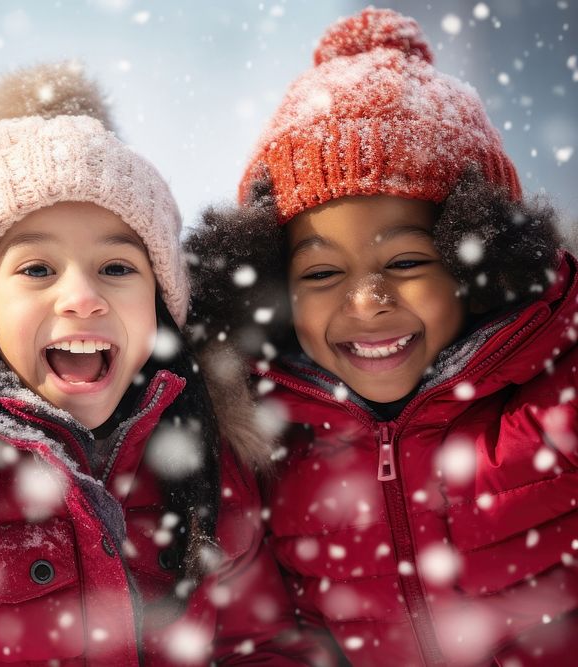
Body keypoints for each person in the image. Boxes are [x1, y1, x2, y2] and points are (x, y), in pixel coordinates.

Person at [0, 63, 326, 665]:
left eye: (118, 268)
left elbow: (257, 643)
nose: (82, 296)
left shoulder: (205, 454)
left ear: (159, 302)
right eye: (37, 270)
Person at [185, 7, 577, 666]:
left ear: (478, 263)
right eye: (322, 272)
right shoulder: (259, 446)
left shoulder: (559, 408)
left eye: (406, 261)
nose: (366, 300)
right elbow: (261, 639)